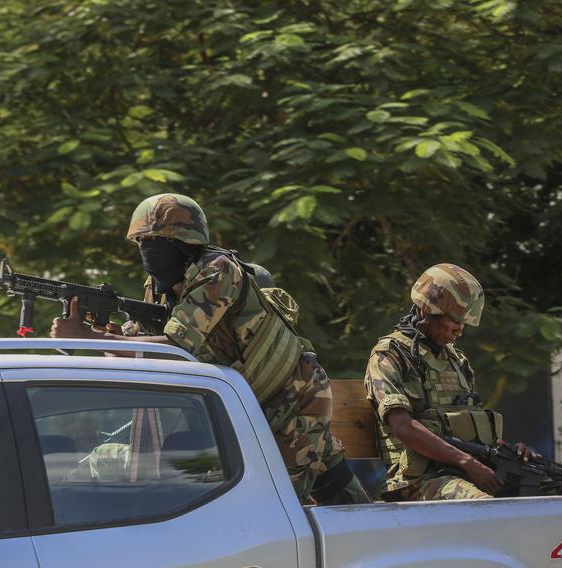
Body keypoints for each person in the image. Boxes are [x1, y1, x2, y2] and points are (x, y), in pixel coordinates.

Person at [49, 193, 370, 505]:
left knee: (277, 502)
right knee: (333, 479)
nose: (146, 250)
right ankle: (382, 534)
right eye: (141, 243)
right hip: (251, 393)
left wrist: (89, 340)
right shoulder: (160, 283)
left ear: (182, 243)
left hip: (291, 393)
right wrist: (112, 337)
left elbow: (177, 349)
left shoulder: (217, 269)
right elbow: (141, 345)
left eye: (154, 242)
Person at [364, 263, 537, 501]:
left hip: (463, 473)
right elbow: (402, 426)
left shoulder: (457, 360)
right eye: (455, 320)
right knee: (485, 505)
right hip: (419, 481)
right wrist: (468, 463)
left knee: (554, 495)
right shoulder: (390, 354)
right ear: (425, 311)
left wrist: (508, 452)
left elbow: (465, 426)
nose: (460, 331)